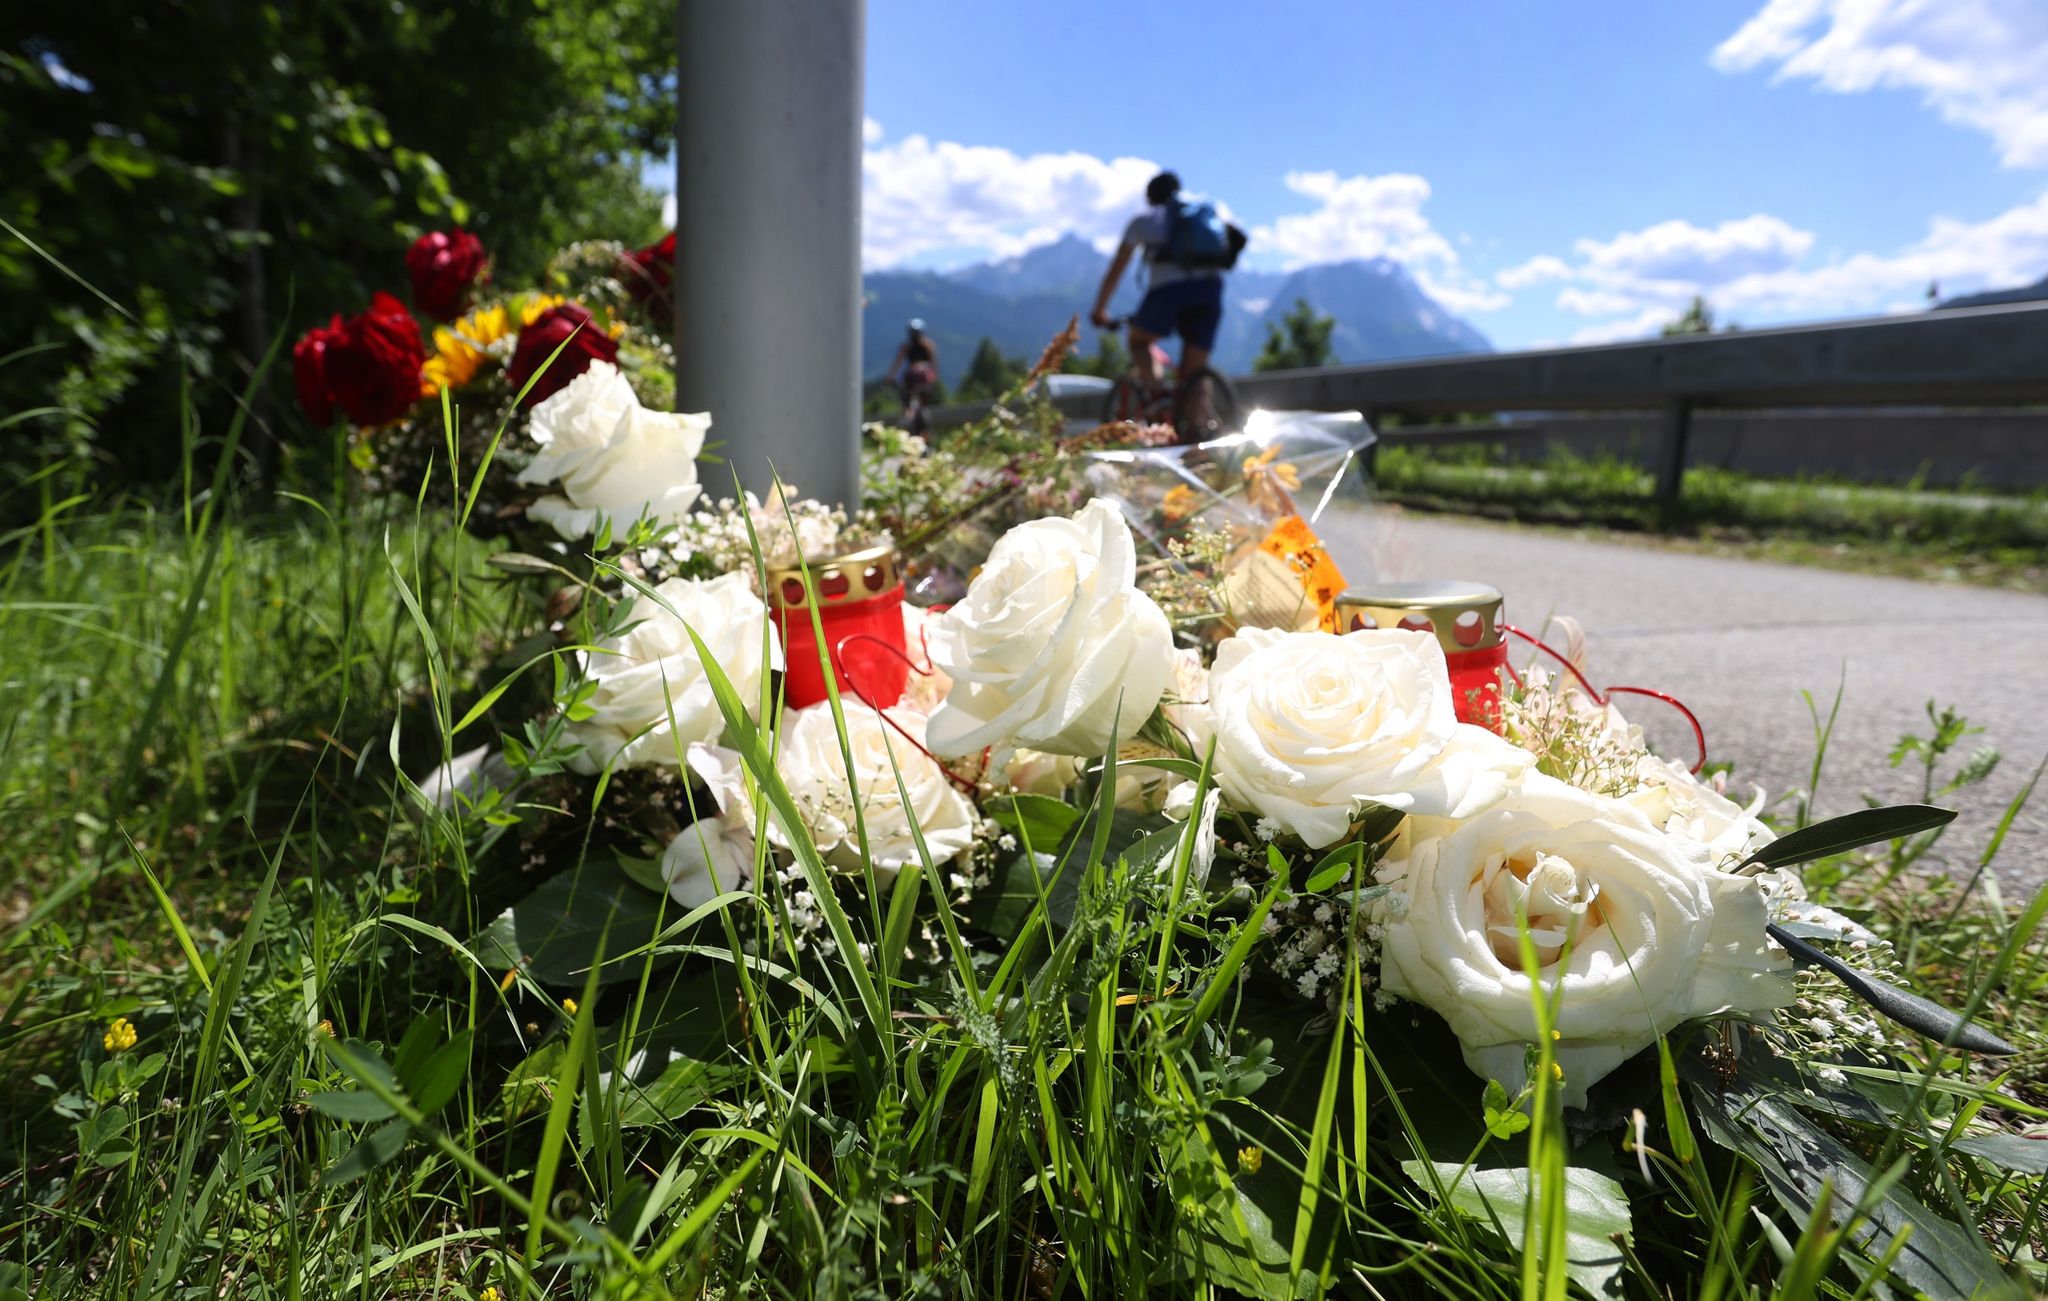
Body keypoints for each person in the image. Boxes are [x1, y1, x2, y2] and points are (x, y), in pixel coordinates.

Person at [1089, 171, 1231, 402]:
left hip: (1168, 292)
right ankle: (1202, 427)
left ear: (1150, 198)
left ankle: (1159, 393)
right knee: (1195, 373)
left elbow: (1115, 273)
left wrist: (1099, 310)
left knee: (1138, 342)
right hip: (1210, 289)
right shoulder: (1198, 217)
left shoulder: (1142, 223)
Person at [886, 319, 939, 410]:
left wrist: (890, 376)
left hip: (911, 377)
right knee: (923, 395)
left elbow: (898, 363)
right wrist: (935, 375)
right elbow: (933, 362)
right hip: (925, 379)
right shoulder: (928, 345)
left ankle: (907, 412)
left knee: (905, 394)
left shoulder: (907, 346)